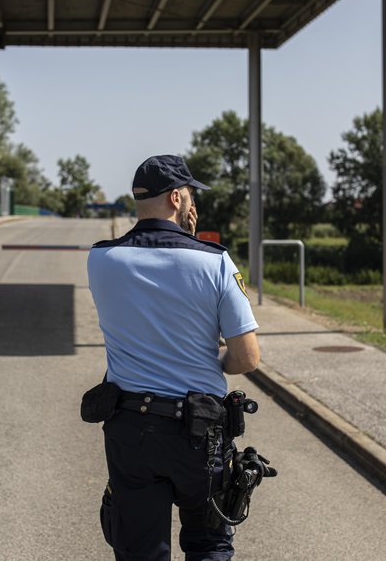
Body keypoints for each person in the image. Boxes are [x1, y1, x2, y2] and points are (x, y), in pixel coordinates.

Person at [87, 154, 261, 561]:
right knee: (208, 546)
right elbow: (247, 357)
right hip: (198, 433)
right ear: (179, 198)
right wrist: (210, 359)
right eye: (189, 197)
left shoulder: (101, 259)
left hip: (129, 430)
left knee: (139, 551)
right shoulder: (215, 261)